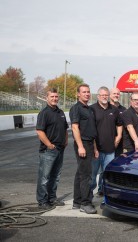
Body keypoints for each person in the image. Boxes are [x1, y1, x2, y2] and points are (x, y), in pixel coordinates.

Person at [35, 88, 69, 209]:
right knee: (44, 177)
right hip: (48, 150)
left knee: (56, 176)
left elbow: (65, 128)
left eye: (56, 97)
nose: (54, 99)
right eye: (52, 97)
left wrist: (66, 140)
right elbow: (39, 131)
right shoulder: (44, 113)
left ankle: (52, 198)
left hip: (60, 149)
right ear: (47, 98)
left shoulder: (60, 112)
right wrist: (49, 145)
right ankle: (42, 201)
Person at [69, 84, 98, 214]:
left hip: (91, 143)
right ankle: (85, 203)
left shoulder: (90, 109)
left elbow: (93, 130)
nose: (87, 94)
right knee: (86, 175)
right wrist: (80, 146)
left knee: (80, 173)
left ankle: (77, 201)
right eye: (84, 92)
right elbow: (75, 128)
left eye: (88, 92)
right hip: (83, 144)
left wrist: (95, 148)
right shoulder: (76, 108)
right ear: (78, 94)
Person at [90, 86, 123, 197]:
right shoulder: (92, 109)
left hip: (110, 149)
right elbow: (89, 129)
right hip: (96, 150)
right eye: (102, 95)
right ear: (98, 96)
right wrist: (94, 148)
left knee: (106, 173)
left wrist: (118, 137)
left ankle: (104, 193)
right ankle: (88, 196)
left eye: (106, 95)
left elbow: (119, 124)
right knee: (93, 174)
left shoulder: (114, 110)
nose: (104, 97)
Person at [109, 88, 126, 157]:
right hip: (108, 142)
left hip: (120, 144)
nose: (116, 95)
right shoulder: (106, 108)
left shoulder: (124, 110)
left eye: (118, 94)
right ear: (110, 95)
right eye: (114, 93)